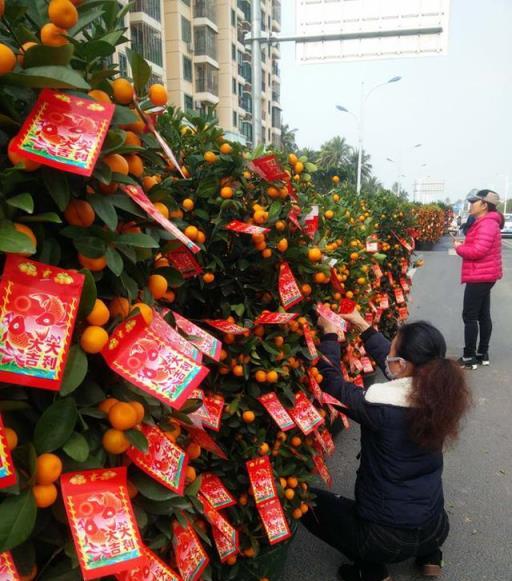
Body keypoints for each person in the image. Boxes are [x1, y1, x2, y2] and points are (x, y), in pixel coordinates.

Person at [301, 310, 471, 581]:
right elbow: (396, 369)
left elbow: (332, 384)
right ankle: (429, 556)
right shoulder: (440, 396)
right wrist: (363, 325)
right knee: (418, 494)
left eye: (393, 348)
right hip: (435, 527)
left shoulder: (379, 407)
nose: (388, 353)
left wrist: (329, 335)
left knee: (305, 502)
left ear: (403, 364)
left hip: (384, 540)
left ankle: (371, 571)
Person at [453, 189, 503, 369]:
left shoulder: (487, 224)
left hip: (480, 275)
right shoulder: (484, 222)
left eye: (474, 202)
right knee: (482, 315)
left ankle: (469, 357)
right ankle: (482, 354)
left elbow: (478, 251)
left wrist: (460, 248)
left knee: (470, 315)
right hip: (484, 274)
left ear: (484, 205)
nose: (470, 205)